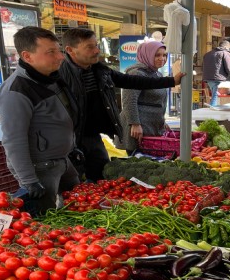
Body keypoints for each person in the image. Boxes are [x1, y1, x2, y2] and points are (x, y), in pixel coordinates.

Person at [59, 28, 184, 181]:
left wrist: (171, 81)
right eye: (90, 47)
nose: (96, 50)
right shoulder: (59, 75)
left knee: (101, 174)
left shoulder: (99, 69)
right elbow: (129, 98)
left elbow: (130, 81)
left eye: (96, 45)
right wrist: (134, 122)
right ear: (70, 50)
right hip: (68, 139)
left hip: (92, 135)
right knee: (73, 182)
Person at [0, 26, 79, 212]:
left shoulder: (50, 77)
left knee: (77, 206)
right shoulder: (16, 91)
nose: (60, 57)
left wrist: (72, 146)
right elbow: (13, 140)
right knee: (45, 218)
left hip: (63, 160)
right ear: (27, 56)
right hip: (40, 167)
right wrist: (29, 181)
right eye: (51, 52)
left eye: (58, 50)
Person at [118, 41, 172, 152]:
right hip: (137, 128)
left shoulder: (157, 74)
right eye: (157, 55)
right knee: (136, 163)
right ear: (147, 54)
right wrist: (135, 123)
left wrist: (162, 122)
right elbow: (129, 100)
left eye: (164, 55)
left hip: (151, 127)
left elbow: (158, 102)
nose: (162, 58)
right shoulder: (136, 73)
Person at [202, 40, 230, 106]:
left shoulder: (208, 54)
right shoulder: (225, 53)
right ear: (226, 47)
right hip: (219, 79)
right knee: (216, 97)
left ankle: (215, 111)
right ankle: (212, 112)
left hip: (209, 78)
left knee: (215, 96)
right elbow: (229, 68)